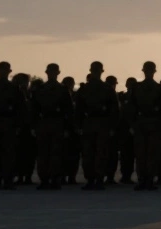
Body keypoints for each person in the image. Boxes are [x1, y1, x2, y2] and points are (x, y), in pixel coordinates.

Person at [76, 61, 118, 190]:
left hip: (102, 123)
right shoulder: (84, 88)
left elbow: (114, 110)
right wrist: (78, 125)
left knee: (101, 152)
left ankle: (99, 178)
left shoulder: (107, 89)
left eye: (97, 71)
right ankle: (91, 179)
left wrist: (112, 127)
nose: (95, 73)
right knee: (88, 153)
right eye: (94, 71)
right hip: (89, 123)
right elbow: (79, 109)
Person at [0, 62, 26, 190]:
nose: (3, 72)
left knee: (9, 153)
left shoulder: (14, 89)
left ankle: (8, 179)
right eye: (1, 70)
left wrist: (18, 125)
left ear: (9, 72)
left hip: (9, 122)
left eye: (5, 70)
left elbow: (21, 108)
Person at [31, 63, 73, 190]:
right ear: (46, 72)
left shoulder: (62, 89)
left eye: (54, 72)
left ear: (58, 73)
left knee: (56, 152)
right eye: (50, 71)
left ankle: (55, 179)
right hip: (43, 123)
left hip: (57, 122)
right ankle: (44, 179)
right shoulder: (40, 89)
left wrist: (67, 128)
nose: (52, 74)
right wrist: (33, 126)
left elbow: (68, 110)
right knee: (43, 153)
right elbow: (34, 108)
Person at [130, 61, 161, 191]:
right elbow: (131, 108)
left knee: (147, 153)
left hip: (149, 123)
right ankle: (146, 180)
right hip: (149, 123)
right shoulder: (157, 88)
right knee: (145, 153)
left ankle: (146, 180)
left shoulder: (156, 88)